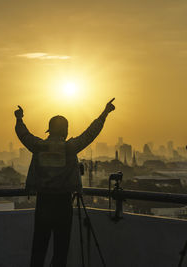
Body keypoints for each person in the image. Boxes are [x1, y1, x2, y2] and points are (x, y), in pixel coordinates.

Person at [14, 98, 115, 267]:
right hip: (63, 203)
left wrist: (19, 119)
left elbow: (23, 135)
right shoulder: (70, 147)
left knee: (39, 248)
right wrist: (104, 113)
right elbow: (90, 133)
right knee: (61, 250)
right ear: (65, 131)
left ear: (49, 130)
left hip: (43, 202)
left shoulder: (38, 146)